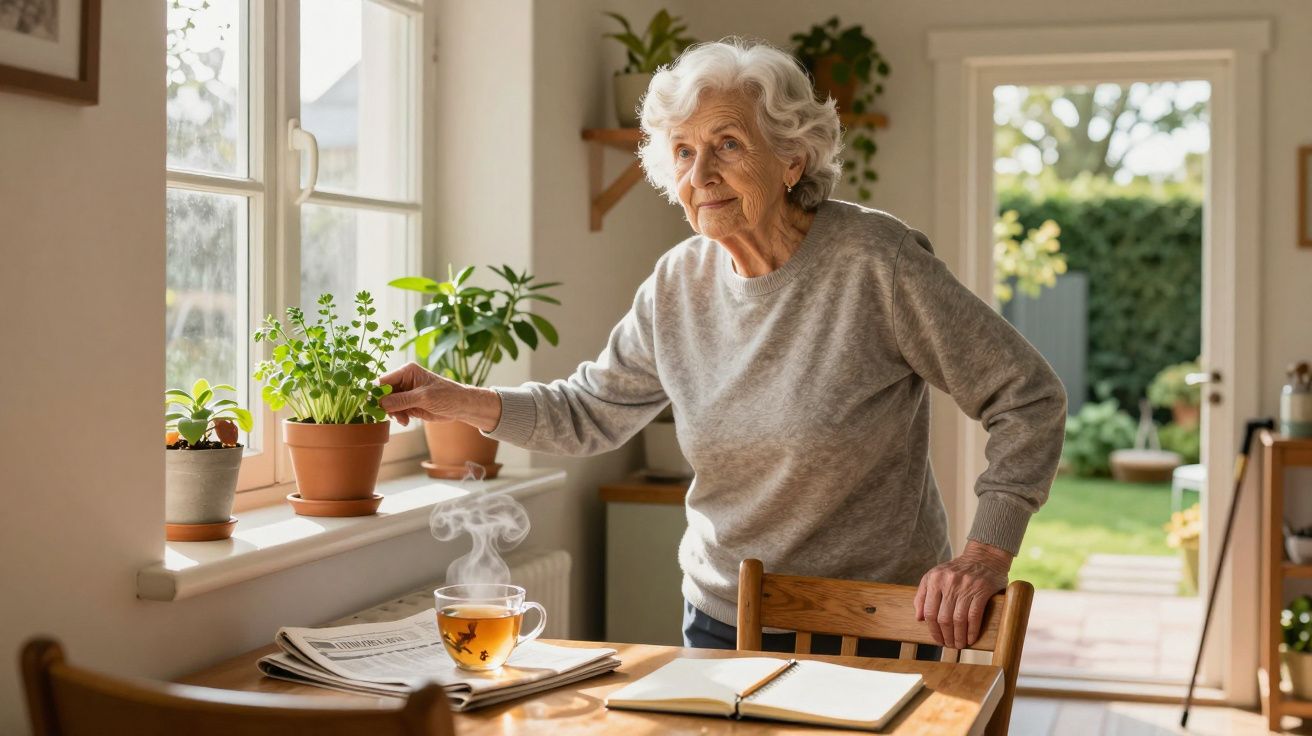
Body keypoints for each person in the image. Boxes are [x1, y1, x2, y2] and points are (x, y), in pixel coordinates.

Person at [378, 40, 1066, 657]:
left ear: (792, 158)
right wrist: (453, 399)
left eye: (728, 144)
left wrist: (985, 553)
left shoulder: (873, 261)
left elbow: (1028, 397)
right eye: (682, 151)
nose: (701, 172)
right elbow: (591, 410)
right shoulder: (678, 282)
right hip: (720, 618)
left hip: (876, 621)